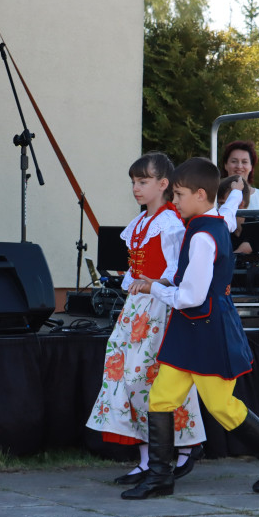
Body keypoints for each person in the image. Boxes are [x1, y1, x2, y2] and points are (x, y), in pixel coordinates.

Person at [120, 157, 259, 500]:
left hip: (208, 329)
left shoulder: (203, 236)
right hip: (191, 330)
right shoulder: (216, 217)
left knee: (221, 406)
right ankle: (160, 476)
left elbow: (190, 296)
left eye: (180, 194)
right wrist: (235, 190)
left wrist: (150, 287)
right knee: (160, 398)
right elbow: (229, 209)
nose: (174, 201)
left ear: (201, 195)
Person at [86, 153, 206, 484]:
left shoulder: (170, 223)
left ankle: (183, 446)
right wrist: (130, 282)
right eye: (134, 182)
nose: (136, 188)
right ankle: (145, 458)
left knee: (149, 377)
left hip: (159, 308)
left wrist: (152, 284)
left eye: (143, 181)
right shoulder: (141, 223)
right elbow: (135, 267)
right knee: (124, 375)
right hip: (136, 307)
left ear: (163, 184)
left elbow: (175, 269)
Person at [220, 140, 259, 234]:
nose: (239, 166)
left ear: (251, 166)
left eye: (244, 162)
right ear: (225, 165)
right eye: (234, 161)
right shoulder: (215, 195)